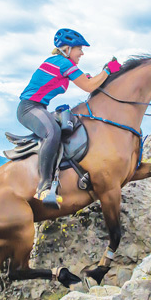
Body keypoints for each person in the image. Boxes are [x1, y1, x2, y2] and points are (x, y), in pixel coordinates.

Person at [17, 28, 121, 208]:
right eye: (79, 48)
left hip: (39, 107)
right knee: (53, 132)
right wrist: (107, 70)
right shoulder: (62, 63)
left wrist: (104, 74)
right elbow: (89, 86)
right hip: (28, 108)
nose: (82, 53)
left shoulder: (62, 64)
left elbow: (88, 80)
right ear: (67, 49)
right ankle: (44, 187)